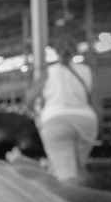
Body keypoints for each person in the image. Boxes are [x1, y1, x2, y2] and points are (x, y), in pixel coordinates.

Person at [25, 36, 98, 185]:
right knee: (78, 169)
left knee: (66, 174)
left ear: (56, 52)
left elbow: (29, 98)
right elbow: (96, 104)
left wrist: (37, 113)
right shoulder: (87, 71)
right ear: (75, 51)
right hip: (87, 122)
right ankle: (85, 199)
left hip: (56, 121)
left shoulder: (49, 72)